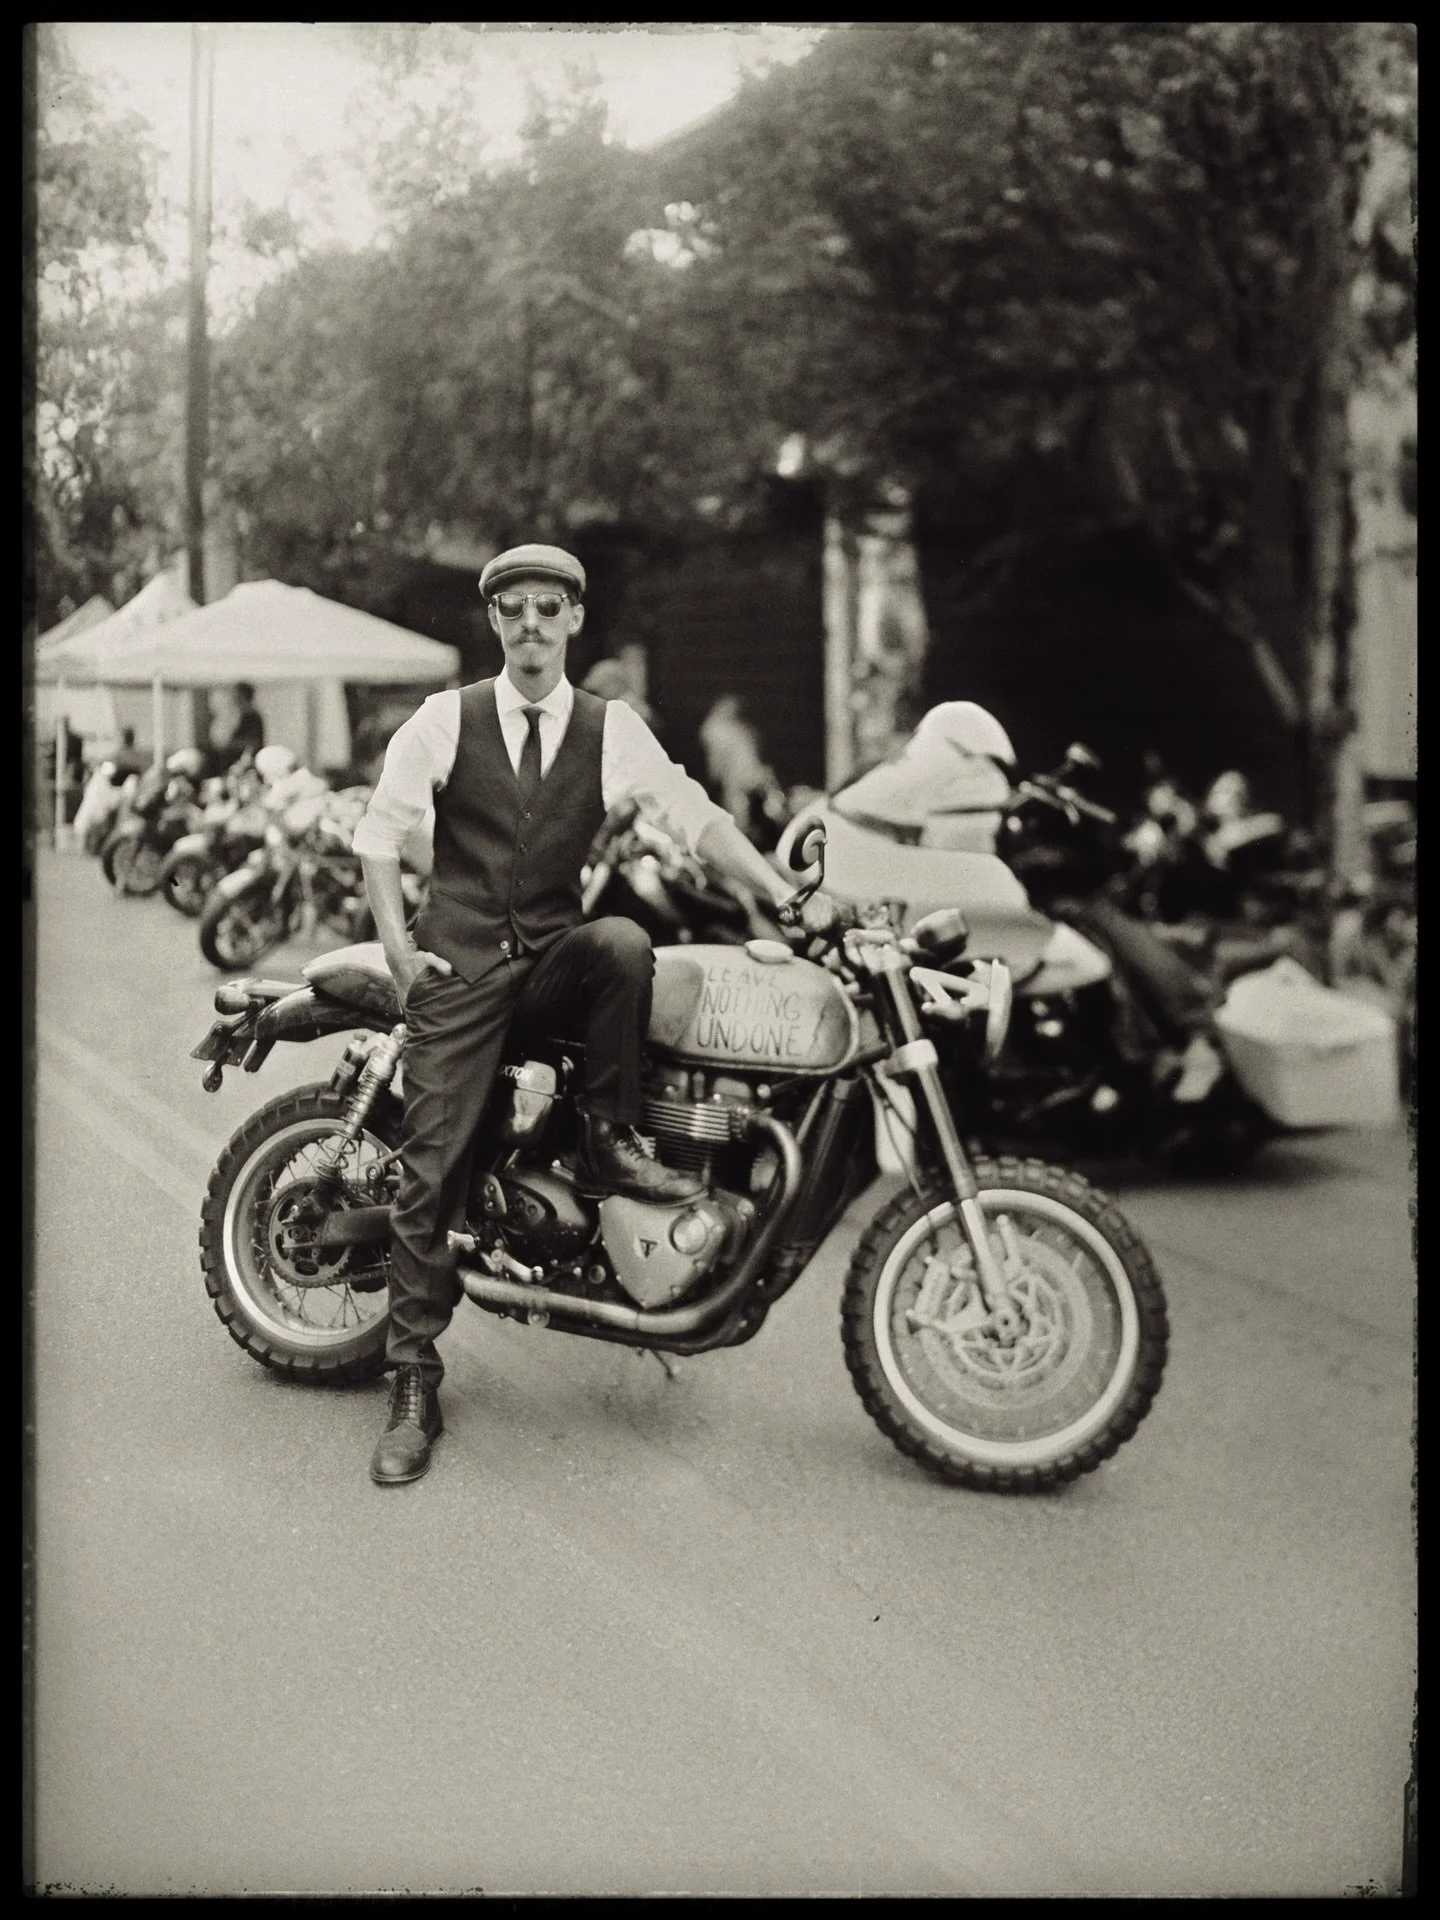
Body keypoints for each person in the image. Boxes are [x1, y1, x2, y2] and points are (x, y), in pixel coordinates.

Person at [352, 543, 835, 1487]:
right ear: (494, 621)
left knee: (621, 941)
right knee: (431, 1164)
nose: (531, 625)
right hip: (459, 968)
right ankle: (411, 1380)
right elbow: (378, 836)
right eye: (514, 609)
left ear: (574, 618)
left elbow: (694, 815)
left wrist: (780, 893)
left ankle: (609, 1139)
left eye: (549, 608)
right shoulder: (446, 718)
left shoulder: (610, 729)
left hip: (545, 960)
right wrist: (402, 954)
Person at [206, 681, 266, 774]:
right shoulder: (241, 715)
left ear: (243, 696)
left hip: (243, 765)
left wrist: (228, 745)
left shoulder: (251, 716)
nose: (233, 698)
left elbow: (252, 743)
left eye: (236, 695)